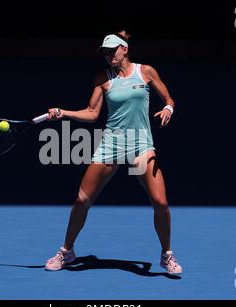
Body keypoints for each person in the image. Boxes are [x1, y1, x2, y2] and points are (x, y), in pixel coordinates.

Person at [44, 30, 182, 276]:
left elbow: (168, 98)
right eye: (105, 53)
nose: (109, 56)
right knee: (81, 201)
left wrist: (169, 109)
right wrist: (64, 112)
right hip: (112, 145)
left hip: (140, 145)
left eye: (112, 51)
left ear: (124, 49)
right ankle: (66, 251)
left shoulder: (146, 72)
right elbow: (92, 113)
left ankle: (166, 255)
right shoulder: (103, 78)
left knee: (160, 203)